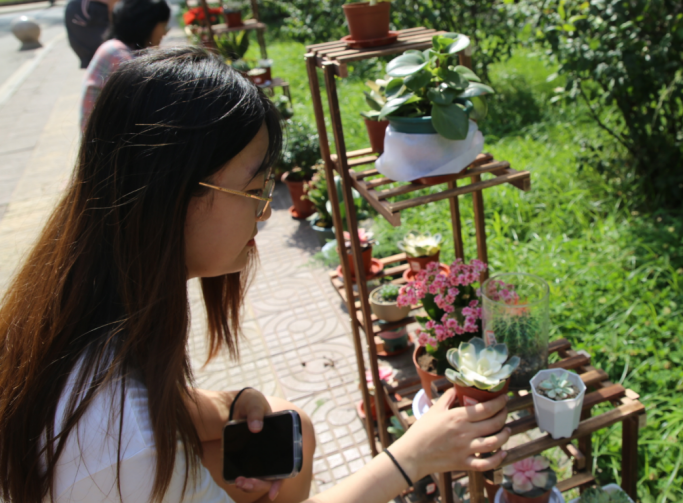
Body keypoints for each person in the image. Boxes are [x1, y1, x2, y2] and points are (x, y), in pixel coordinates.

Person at [0, 47, 510, 503]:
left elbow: (163, 402)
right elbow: (139, 426)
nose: (265, 213)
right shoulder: (121, 446)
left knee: (287, 425)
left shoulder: (84, 304)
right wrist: (411, 458)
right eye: (255, 189)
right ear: (173, 192)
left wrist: (228, 404)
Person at [80, 0, 171, 132]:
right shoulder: (118, 56)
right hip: (105, 142)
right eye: (163, 25)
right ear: (147, 23)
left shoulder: (116, 48)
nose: (165, 32)